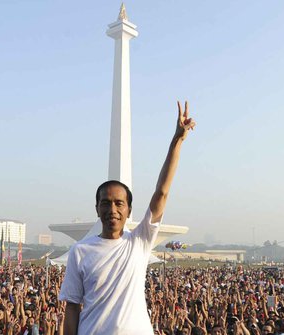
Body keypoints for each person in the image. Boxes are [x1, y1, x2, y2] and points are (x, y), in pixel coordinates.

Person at [59, 101, 196, 334]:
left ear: (129, 210)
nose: (112, 209)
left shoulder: (139, 242)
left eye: (119, 203)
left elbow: (161, 193)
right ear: (97, 209)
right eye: (106, 203)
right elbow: (72, 307)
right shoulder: (80, 251)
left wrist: (177, 141)